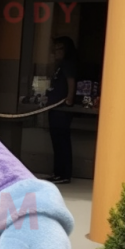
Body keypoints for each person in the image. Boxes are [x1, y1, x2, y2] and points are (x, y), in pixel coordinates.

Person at [46, 35, 77, 184]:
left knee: (62, 142)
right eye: (55, 49)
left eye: (60, 49)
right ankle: (57, 172)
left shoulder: (67, 64)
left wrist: (69, 99)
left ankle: (64, 174)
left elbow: (71, 82)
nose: (56, 52)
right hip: (54, 107)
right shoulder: (58, 65)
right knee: (56, 141)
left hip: (62, 108)